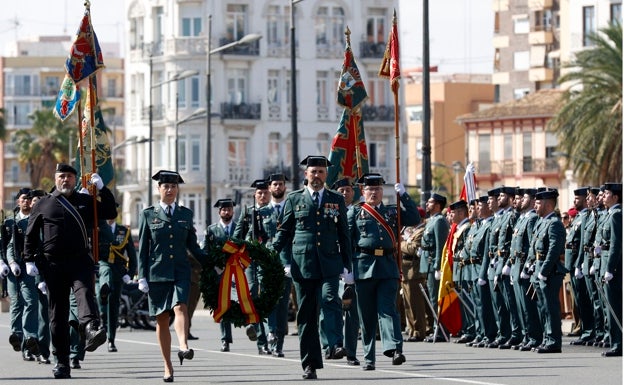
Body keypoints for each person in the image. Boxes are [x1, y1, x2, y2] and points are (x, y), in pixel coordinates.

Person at [23, 164, 116, 379]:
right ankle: (62, 362)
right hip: (53, 265)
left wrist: (102, 189)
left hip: (79, 260)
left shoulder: (85, 201)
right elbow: (30, 233)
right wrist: (29, 260)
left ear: (76, 180)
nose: (66, 180)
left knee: (84, 293)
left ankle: (92, 328)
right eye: (62, 176)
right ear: (55, 179)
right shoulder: (44, 203)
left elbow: (110, 211)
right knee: (58, 314)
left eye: (70, 177)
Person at [272, 155, 352, 380]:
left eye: (321, 172)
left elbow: (344, 234)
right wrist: (271, 254)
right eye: (313, 172)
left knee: (330, 299)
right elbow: (284, 231)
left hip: (329, 263)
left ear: (326, 175)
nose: (317, 176)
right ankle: (310, 364)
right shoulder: (294, 199)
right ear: (305, 174)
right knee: (306, 316)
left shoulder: (336, 199)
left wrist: (348, 266)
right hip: (303, 264)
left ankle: (335, 344)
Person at [137, 170, 207, 382]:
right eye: (166, 186)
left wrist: (212, 262)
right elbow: (143, 248)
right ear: (159, 189)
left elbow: (192, 246)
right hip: (157, 272)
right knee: (162, 319)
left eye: (174, 186)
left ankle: (184, 345)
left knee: (180, 307)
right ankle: (168, 367)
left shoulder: (185, 214)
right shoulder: (148, 214)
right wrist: (141, 276)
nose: (170, 190)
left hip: (180, 270)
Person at [348, 173, 421, 370]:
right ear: (363, 191)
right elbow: (346, 242)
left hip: (388, 266)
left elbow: (414, 218)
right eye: (370, 189)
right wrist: (346, 269)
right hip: (363, 267)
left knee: (388, 308)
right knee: (367, 315)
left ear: (383, 191)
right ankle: (369, 358)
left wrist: (404, 195)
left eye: (378, 189)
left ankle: (395, 349)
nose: (374, 192)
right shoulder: (355, 213)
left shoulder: (391, 212)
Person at [232, 178, 273, 354]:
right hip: (250, 259)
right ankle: (258, 336)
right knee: (250, 293)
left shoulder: (274, 211)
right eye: (259, 193)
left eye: (265, 192)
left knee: (265, 297)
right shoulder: (248, 212)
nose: (262, 195)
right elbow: (237, 234)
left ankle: (271, 335)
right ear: (255, 195)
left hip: (267, 258)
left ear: (269, 193)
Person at [325, 176, 361, 365]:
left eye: (348, 190)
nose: (345, 193)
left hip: (350, 265)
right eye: (341, 191)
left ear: (353, 192)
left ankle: (351, 352)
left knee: (351, 311)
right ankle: (332, 345)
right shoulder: (328, 211)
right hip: (330, 264)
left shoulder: (359, 211)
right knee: (330, 307)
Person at [529, 188, 566, 353]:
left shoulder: (555, 224)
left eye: (538, 202)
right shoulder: (541, 222)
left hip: (549, 271)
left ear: (548, 204)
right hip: (539, 269)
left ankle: (553, 341)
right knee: (542, 307)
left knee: (550, 307)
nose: (535, 205)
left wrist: (543, 270)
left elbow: (554, 249)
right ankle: (546, 338)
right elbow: (534, 247)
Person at [6, 188, 41, 361]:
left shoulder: (37, 220)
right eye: (23, 199)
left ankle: (29, 338)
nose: (26, 201)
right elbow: (5, 245)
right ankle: (17, 335)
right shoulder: (9, 222)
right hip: (13, 268)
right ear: (18, 202)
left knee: (30, 301)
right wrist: (10, 263)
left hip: (30, 267)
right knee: (16, 302)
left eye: (29, 199)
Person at [97, 216, 137, 353]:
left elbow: (131, 253)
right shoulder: (97, 228)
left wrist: (130, 274)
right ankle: (102, 320)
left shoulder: (123, 231)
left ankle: (111, 340)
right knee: (100, 299)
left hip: (117, 273)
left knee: (113, 307)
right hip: (100, 271)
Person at [508, 188, 542, 351]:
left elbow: (531, 246)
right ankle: (526, 335)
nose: (520, 200)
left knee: (528, 306)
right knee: (520, 306)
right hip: (516, 266)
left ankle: (534, 337)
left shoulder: (532, 219)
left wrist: (528, 265)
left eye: (524, 197)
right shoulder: (522, 219)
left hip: (524, 266)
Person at [203, 198, 237, 352]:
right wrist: (214, 266)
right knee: (223, 306)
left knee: (247, 301)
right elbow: (206, 251)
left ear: (233, 211)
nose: (226, 212)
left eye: (229, 209)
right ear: (219, 212)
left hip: (238, 272)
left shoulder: (239, 228)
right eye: (223, 210)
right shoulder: (211, 230)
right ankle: (225, 339)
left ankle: (258, 335)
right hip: (220, 273)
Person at [265, 173, 292, 358]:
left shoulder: (291, 209)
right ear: (269, 187)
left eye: (281, 184)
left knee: (282, 305)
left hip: (286, 263)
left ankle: (279, 344)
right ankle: (271, 331)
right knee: (269, 301)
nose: (278, 187)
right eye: (275, 184)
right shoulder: (261, 212)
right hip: (266, 263)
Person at [419, 193, 449, 342]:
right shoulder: (431, 220)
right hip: (427, 263)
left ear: (437, 205)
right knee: (431, 297)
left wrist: (438, 267)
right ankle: (438, 328)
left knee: (436, 297)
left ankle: (442, 330)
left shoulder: (439, 222)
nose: (427, 204)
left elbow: (440, 246)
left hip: (433, 264)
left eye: (430, 202)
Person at [598, 183, 622, 357]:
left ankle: (618, 344)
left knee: (615, 307)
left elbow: (616, 244)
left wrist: (610, 268)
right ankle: (615, 341)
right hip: (604, 263)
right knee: (609, 306)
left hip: (613, 268)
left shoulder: (616, 215)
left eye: (607, 193)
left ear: (616, 197)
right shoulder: (609, 214)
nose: (603, 196)